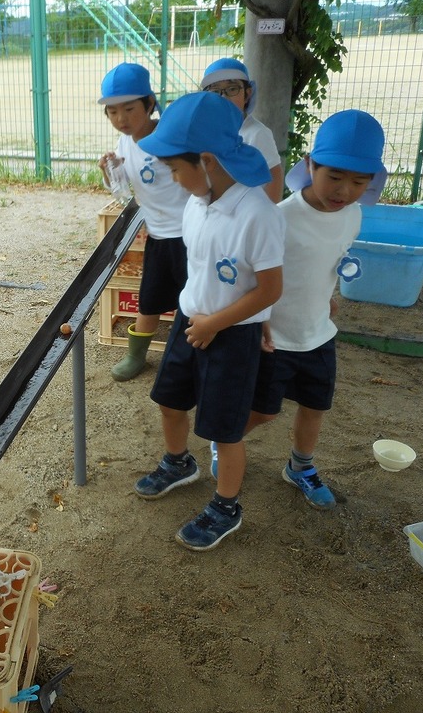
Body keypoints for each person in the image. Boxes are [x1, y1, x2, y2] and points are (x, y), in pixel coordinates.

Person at [133, 91, 285, 552]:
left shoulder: (257, 214)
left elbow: (270, 288)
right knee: (170, 400)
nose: (175, 180)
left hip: (229, 334)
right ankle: (179, 462)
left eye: (177, 169)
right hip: (190, 319)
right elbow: (204, 270)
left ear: (205, 161)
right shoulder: (197, 202)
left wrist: (229, 322)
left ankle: (226, 505)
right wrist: (197, 318)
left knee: (224, 427)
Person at [216, 109, 388, 510]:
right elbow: (249, 276)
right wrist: (254, 320)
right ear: (310, 165)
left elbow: (327, 259)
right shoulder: (279, 218)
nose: (344, 190)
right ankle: (224, 440)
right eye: (335, 176)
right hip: (277, 337)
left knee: (315, 407)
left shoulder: (354, 214)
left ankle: (301, 466)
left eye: (359, 181)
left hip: (318, 333)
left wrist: (326, 294)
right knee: (262, 412)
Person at [97, 62, 192, 382]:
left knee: (194, 300)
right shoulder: (125, 143)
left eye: (129, 108)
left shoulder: (171, 137)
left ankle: (194, 357)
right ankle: (136, 356)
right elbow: (126, 192)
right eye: (112, 111)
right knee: (150, 296)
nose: (121, 119)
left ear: (150, 103)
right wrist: (111, 172)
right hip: (158, 234)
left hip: (189, 234)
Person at [200, 58, 284, 203]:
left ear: (248, 94)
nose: (223, 97)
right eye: (215, 91)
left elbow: (274, 178)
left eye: (232, 89)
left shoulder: (257, 133)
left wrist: (265, 219)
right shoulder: (206, 131)